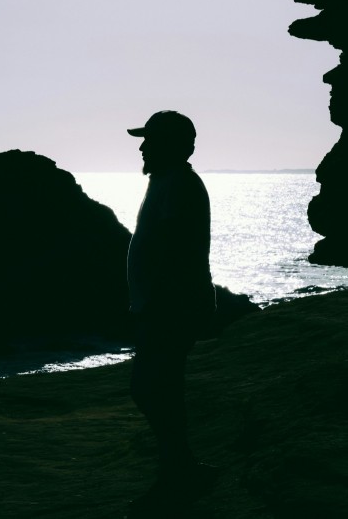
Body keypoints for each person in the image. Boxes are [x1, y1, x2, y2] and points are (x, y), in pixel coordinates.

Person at [126, 110, 217, 516]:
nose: (142, 147)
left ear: (175, 146)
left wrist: (154, 305)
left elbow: (174, 248)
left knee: (153, 386)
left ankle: (178, 469)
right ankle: (178, 466)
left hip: (169, 308)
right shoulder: (166, 181)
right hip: (162, 306)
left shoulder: (179, 184)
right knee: (157, 387)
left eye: (150, 140)